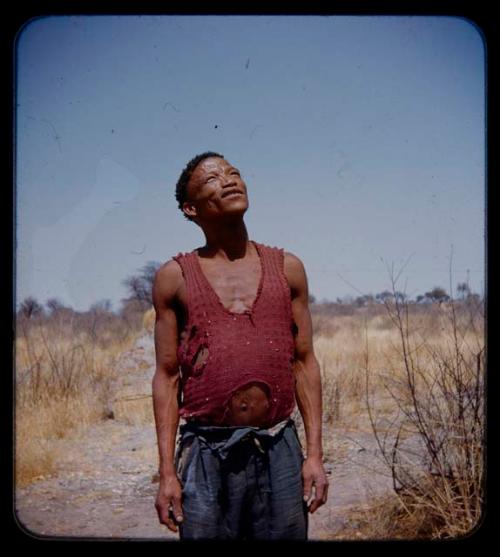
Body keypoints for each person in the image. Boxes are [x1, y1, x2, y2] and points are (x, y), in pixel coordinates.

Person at [152, 152, 328, 540]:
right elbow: (166, 377)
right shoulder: (174, 277)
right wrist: (167, 473)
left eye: (233, 172)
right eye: (212, 179)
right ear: (191, 208)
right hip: (206, 452)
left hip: (278, 444)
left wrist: (314, 455)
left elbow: (304, 361)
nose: (229, 180)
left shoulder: (288, 268)